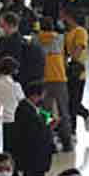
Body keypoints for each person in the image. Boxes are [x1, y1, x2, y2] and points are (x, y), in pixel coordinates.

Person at [6, 80, 53, 176]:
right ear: (35, 95)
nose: (43, 98)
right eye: (42, 95)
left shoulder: (31, 109)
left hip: (36, 159)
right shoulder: (25, 111)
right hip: (33, 159)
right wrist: (47, 129)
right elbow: (33, 135)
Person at [37, 18, 73, 148]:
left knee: (46, 113)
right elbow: (64, 57)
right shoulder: (59, 39)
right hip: (59, 78)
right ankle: (67, 142)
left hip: (44, 79)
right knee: (64, 112)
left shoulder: (36, 40)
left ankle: (48, 140)